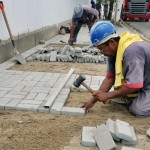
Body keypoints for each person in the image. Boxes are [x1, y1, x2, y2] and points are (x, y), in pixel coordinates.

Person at [81, 20, 150, 117]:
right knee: (120, 89)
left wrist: (107, 95)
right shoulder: (114, 53)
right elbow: (110, 78)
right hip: (145, 78)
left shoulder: (132, 51)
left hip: (146, 83)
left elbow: (134, 85)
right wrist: (93, 100)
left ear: (112, 42)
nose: (101, 52)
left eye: (101, 49)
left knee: (138, 110)